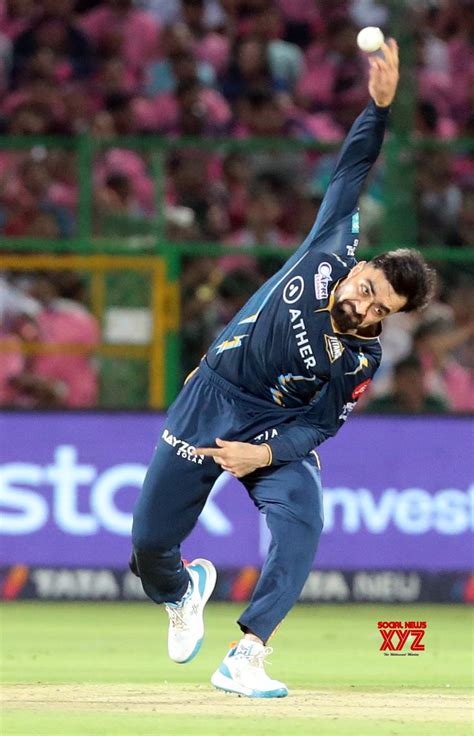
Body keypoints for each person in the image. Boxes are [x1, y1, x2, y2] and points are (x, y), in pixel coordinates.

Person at [131, 40, 435, 698]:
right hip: (214, 394)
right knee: (149, 543)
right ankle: (182, 592)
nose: (359, 299)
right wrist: (379, 108)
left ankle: (247, 652)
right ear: (361, 265)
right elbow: (352, 166)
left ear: (393, 313)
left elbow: (319, 429)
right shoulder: (330, 247)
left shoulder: (360, 358)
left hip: (274, 426)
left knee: (303, 520)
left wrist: (263, 454)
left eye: (377, 304)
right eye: (364, 283)